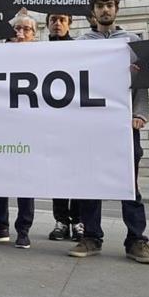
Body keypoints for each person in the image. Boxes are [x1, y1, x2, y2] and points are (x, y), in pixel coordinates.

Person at [67, 0, 149, 264]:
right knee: (90, 182)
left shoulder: (132, 42)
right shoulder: (81, 43)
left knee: (129, 183)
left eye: (109, 5)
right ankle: (91, 237)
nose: (105, 10)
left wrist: (140, 113)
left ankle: (136, 240)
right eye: (100, 6)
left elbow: (141, 83)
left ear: (116, 9)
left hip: (125, 125)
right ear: (93, 12)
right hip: (92, 125)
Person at [0, 13, 37, 249]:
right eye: (16, 29)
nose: (20, 33)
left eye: (26, 29)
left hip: (28, 128)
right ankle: (0, 226)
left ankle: (23, 230)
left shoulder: (43, 56)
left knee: (25, 179)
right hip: (0, 126)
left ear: (34, 35)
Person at [45, 13, 83, 243]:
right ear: (47, 24)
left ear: (69, 23)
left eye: (62, 20)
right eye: (53, 20)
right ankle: (61, 221)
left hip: (74, 122)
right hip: (51, 123)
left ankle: (78, 221)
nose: (57, 24)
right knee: (57, 174)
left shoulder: (80, 49)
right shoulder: (40, 51)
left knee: (76, 173)